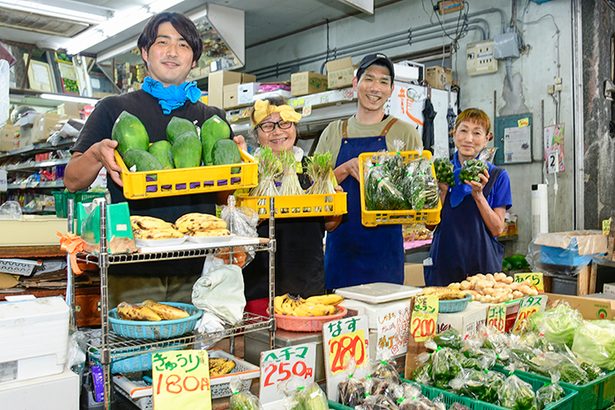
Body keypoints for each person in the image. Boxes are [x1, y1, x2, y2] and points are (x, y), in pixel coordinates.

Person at [64, 12, 244, 305]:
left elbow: (223, 196)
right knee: (133, 344)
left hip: (196, 265)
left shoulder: (213, 118)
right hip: (132, 265)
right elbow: (72, 180)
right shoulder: (113, 109)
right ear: (145, 53)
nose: (173, 52)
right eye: (163, 42)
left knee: (189, 350)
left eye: (183, 45)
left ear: (194, 60)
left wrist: (234, 165)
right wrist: (97, 152)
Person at [314, 53, 422, 290]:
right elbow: (312, 191)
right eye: (369, 79)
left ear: (391, 89)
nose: (375, 88)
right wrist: (343, 170)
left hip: (385, 253)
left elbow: (418, 195)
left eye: (384, 81)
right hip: (341, 251)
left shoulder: (405, 133)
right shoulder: (333, 132)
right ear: (355, 83)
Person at [241, 97, 327, 317]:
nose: (277, 131)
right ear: (257, 134)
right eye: (267, 125)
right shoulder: (248, 171)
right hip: (259, 283)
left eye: (284, 123)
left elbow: (332, 223)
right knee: (258, 345)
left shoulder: (314, 169)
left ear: (295, 127)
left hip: (307, 281)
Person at [425, 108, 512, 286]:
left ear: (488, 138)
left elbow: (497, 229)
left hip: (483, 267)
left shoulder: (497, 176)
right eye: (463, 130)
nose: (469, 139)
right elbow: (429, 225)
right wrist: (442, 191)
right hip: (444, 263)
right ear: (454, 134)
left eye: (477, 133)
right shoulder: (440, 171)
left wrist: (478, 195)